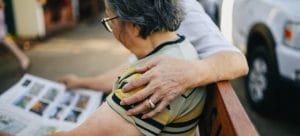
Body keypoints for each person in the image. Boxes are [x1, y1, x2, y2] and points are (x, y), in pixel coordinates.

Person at [59, 0, 248, 119]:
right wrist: (81, 82)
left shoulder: (182, 7)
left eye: (112, 21)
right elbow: (131, 69)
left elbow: (237, 61)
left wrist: (185, 73)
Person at [0, 0, 30, 71]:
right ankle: (24, 59)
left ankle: (24, 59)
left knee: (7, 41)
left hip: (2, 33)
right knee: (8, 41)